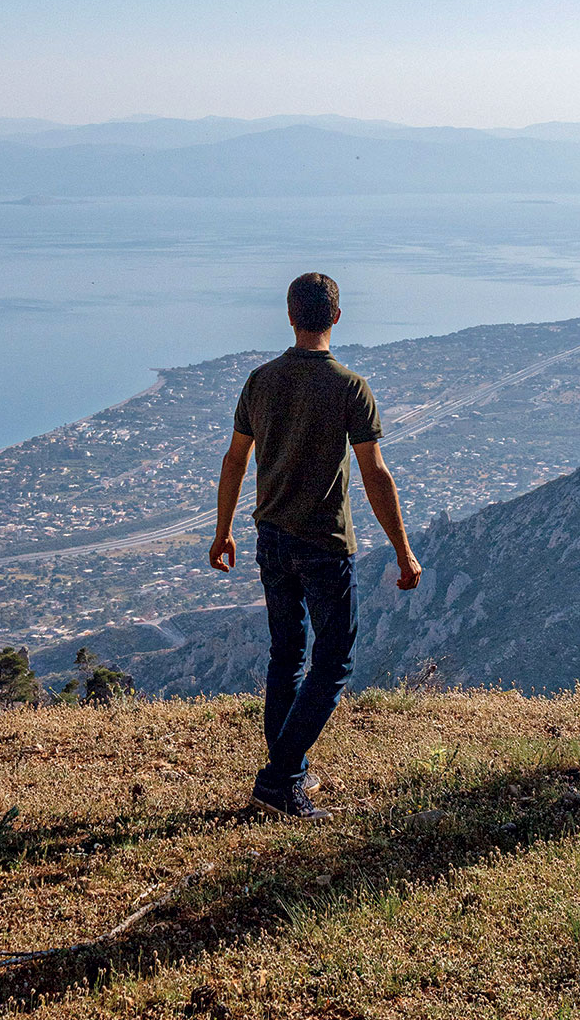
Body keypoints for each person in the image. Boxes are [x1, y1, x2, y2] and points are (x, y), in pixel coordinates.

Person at [209, 270, 423, 818]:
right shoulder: (350, 387)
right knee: (333, 664)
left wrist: (223, 530)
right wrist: (403, 550)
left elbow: (235, 460)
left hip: (271, 539)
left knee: (287, 657)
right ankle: (279, 778)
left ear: (289, 316)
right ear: (336, 317)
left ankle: (286, 773)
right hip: (325, 546)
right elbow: (375, 474)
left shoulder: (260, 381)